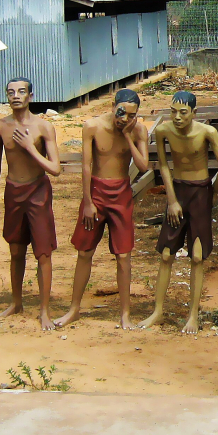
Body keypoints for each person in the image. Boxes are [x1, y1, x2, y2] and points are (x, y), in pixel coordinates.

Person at [57, 88, 150, 329]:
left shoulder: (138, 130)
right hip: (96, 193)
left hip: (121, 194)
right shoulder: (92, 126)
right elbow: (87, 166)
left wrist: (128, 135)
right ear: (112, 105)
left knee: (123, 256)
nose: (125, 119)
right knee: (85, 252)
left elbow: (142, 166)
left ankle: (125, 314)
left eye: (131, 115)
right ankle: (74, 309)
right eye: (121, 113)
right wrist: (87, 202)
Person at [139, 90, 218, 334]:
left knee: (198, 256)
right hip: (177, 191)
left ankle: (193, 315)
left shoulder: (207, 132)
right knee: (167, 254)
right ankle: (157, 311)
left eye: (183, 112)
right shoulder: (163, 131)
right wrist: (171, 199)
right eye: (173, 111)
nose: (177, 117)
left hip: (201, 191)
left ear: (194, 113)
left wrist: (212, 191)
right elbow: (163, 166)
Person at [0, 77, 61, 330]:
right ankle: (16, 302)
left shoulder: (43, 127)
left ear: (30, 95)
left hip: (37, 191)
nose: (16, 96)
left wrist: (31, 147)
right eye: (11, 92)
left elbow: (55, 168)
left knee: (42, 252)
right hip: (13, 191)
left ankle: (44, 310)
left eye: (21, 91)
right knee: (16, 250)